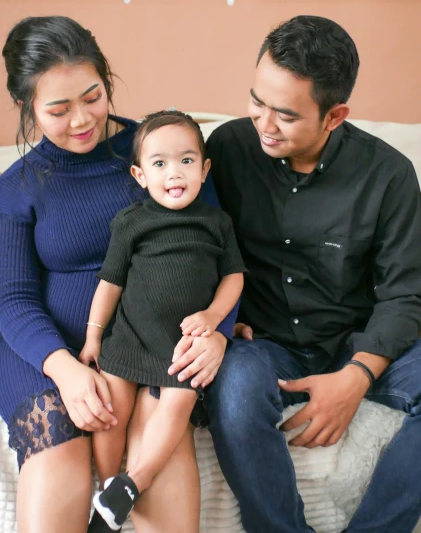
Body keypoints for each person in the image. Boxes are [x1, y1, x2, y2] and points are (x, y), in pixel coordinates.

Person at [196, 15, 421, 533]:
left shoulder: (388, 174)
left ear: (334, 116)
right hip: (264, 342)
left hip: (355, 338)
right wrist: (222, 318)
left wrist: (357, 376)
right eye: (257, 101)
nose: (263, 123)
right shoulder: (226, 150)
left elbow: (406, 296)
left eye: (285, 114)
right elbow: (193, 245)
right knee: (233, 387)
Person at [0, 16, 236, 533]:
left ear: (108, 80)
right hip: (44, 355)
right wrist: (67, 371)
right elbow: (14, 301)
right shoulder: (17, 189)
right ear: (27, 107)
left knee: (156, 458)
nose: (81, 119)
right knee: (59, 451)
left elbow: (217, 257)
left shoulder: (164, 155)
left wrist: (218, 335)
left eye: (92, 97)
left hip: (150, 347)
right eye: (58, 109)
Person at [80, 110, 245, 530]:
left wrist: (213, 316)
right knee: (109, 410)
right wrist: (93, 337)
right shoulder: (132, 222)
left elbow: (234, 277)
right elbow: (110, 284)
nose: (175, 173)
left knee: (176, 408)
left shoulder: (216, 224)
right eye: (159, 164)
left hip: (181, 348)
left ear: (205, 170)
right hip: (131, 337)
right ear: (139, 175)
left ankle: (132, 484)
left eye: (187, 161)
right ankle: (107, 487)